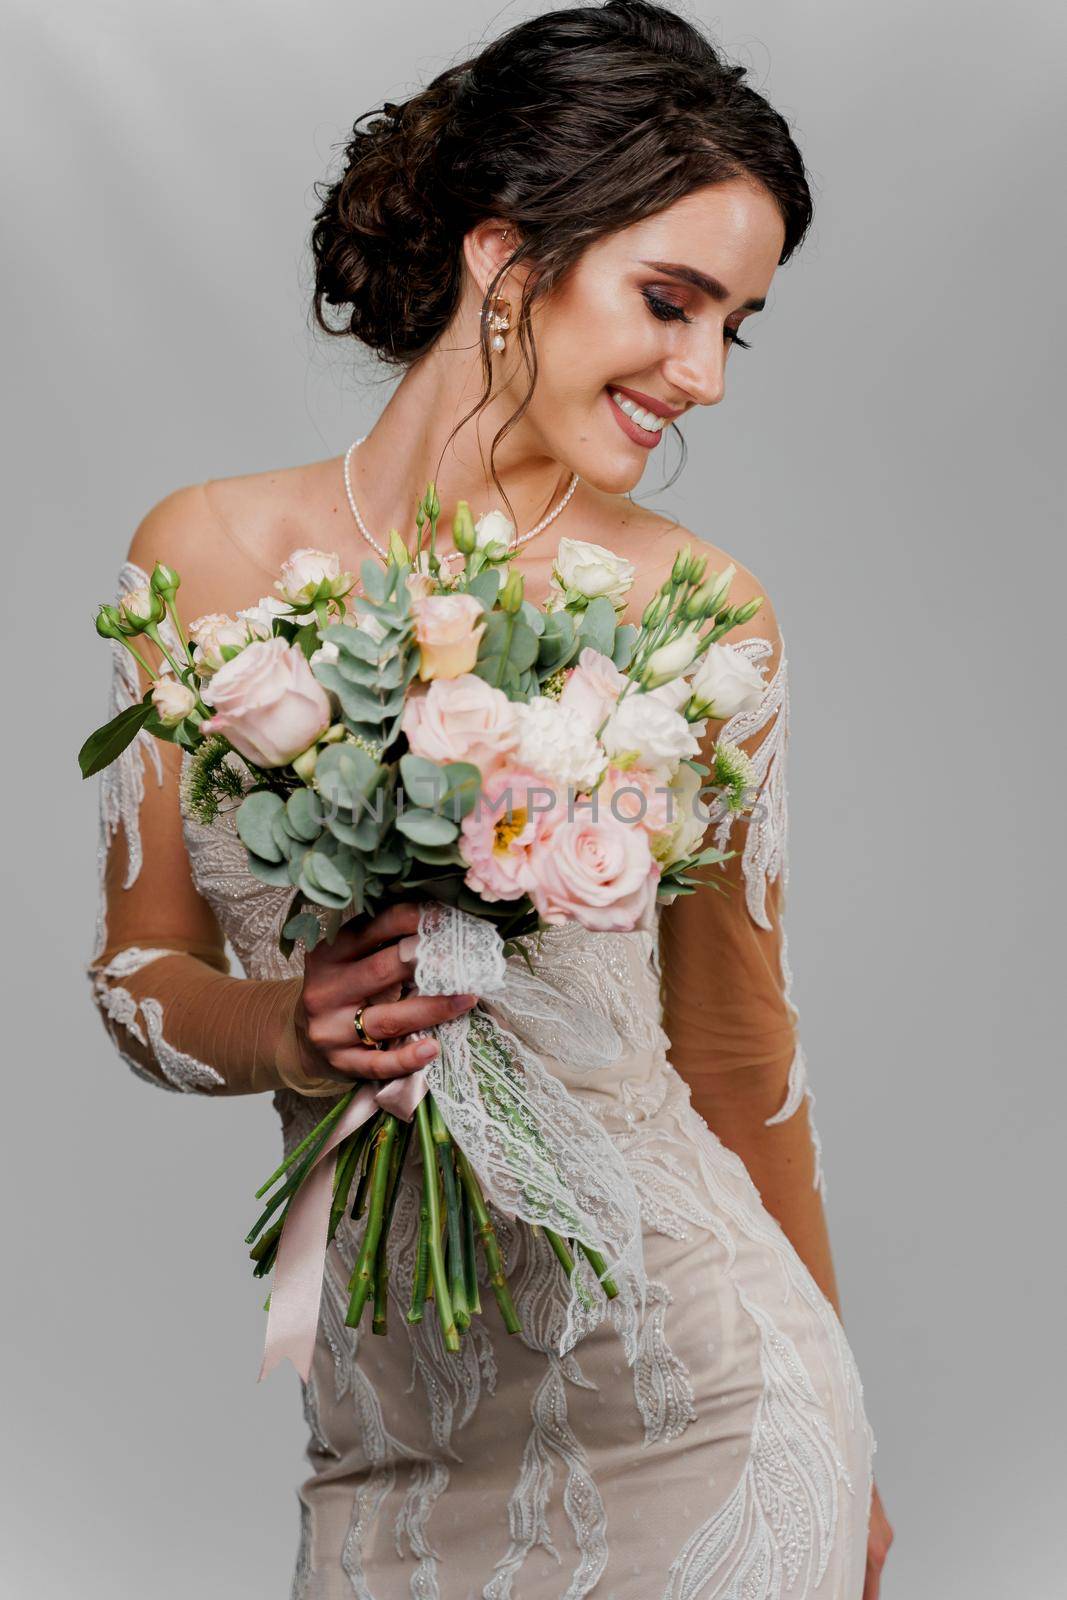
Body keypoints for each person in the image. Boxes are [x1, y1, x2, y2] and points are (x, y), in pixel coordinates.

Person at [86, 3, 894, 1594]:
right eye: (673, 302)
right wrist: (288, 1027)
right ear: (506, 257)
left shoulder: (700, 618)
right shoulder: (202, 561)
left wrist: (848, 1428)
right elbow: (136, 980)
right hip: (385, 1439)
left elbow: (740, 1048)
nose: (706, 376)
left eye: (737, 325)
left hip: (703, 1403)